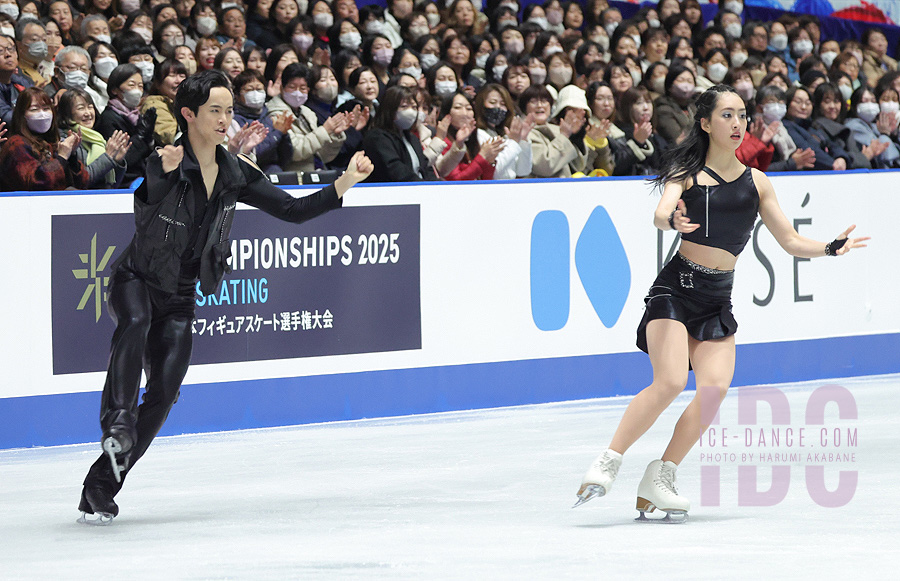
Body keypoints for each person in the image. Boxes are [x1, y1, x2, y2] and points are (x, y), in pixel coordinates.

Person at [77, 69, 374, 525]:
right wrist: (159, 172)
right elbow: (146, 202)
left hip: (179, 297)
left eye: (228, 110)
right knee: (133, 325)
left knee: (165, 392)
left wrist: (344, 183)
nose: (223, 118)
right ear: (189, 114)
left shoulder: (235, 172)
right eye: (214, 110)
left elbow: (291, 211)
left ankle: (101, 484)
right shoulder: (166, 161)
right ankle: (117, 425)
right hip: (136, 279)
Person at [574, 84, 868, 521]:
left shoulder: (757, 183)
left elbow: (788, 240)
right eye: (727, 115)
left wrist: (829, 247)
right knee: (671, 381)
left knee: (713, 391)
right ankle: (609, 460)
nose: (737, 123)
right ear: (706, 123)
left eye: (742, 115)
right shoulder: (686, 172)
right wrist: (670, 218)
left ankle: (661, 475)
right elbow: (660, 214)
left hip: (716, 299)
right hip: (675, 290)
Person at [0, 87, 90, 191]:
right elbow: (38, 183)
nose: (42, 114)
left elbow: (83, 183)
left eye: (46, 108)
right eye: (34, 109)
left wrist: (71, 156)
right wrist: (62, 157)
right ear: (22, 115)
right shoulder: (16, 144)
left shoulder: (52, 143)